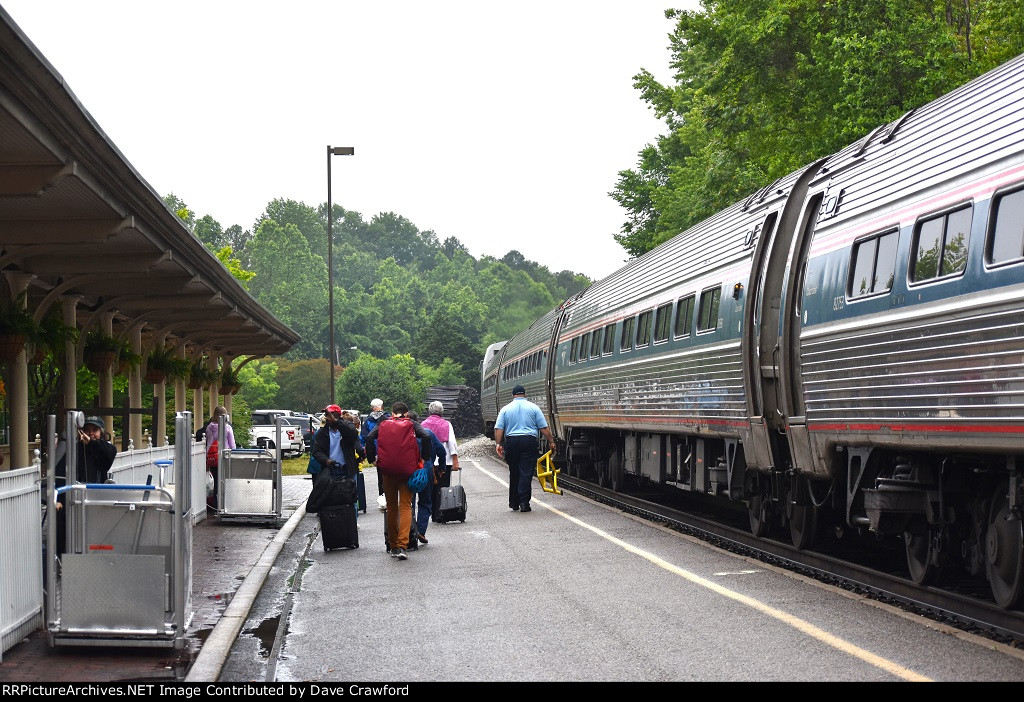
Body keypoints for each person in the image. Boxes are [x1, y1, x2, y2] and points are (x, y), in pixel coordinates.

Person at [364, 401, 433, 560]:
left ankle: (393, 545)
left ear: (392, 413)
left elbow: (369, 437)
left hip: (387, 472)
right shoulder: (412, 423)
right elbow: (426, 436)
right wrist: (425, 457)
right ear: (406, 413)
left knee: (392, 508)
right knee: (405, 506)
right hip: (407, 471)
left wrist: (372, 459)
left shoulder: (383, 423)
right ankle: (403, 545)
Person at [53, 415, 118, 555]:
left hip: (95, 499)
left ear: (101, 432)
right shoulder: (74, 449)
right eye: (87, 429)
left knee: (94, 535)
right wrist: (58, 498)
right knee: (64, 532)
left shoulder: (105, 448)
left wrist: (91, 444)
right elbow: (59, 473)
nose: (90, 433)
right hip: (72, 499)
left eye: (95, 430)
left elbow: (108, 456)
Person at [493, 385, 556, 513]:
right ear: (524, 394)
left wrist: (498, 444)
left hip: (512, 442)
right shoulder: (534, 408)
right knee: (526, 472)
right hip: (528, 441)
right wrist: (551, 441)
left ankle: (514, 503)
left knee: (514, 471)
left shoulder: (505, 409)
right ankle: (524, 503)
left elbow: (499, 429)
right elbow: (543, 428)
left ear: (513, 395)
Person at [311, 405, 364, 513]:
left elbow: (353, 434)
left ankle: (351, 526)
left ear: (337, 416)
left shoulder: (347, 428)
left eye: (330, 415)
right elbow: (316, 451)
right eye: (326, 415)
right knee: (330, 500)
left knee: (351, 501)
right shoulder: (322, 432)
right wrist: (326, 460)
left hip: (348, 470)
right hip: (330, 471)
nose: (327, 418)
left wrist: (337, 422)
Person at [406, 410, 445, 545]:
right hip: (425, 470)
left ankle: (409, 531)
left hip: (408, 470)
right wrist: (441, 468)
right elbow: (442, 451)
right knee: (425, 502)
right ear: (417, 421)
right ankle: (420, 531)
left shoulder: (403, 435)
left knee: (407, 503)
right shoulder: (428, 433)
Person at [421, 401, 460, 523]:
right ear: (442, 412)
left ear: (429, 411)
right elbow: (452, 443)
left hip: (429, 461)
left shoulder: (423, 424)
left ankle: (433, 513)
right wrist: (455, 461)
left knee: (431, 488)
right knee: (443, 488)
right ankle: (442, 512)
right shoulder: (446, 424)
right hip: (445, 461)